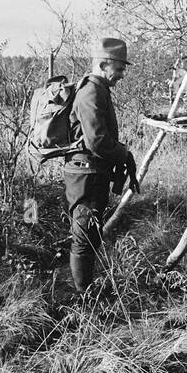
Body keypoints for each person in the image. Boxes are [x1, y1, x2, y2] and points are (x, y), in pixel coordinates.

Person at [63, 37, 139, 291]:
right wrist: (123, 153)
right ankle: (82, 297)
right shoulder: (91, 91)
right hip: (86, 175)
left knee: (91, 234)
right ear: (104, 64)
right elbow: (97, 141)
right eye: (118, 69)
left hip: (92, 173)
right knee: (84, 236)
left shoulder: (99, 88)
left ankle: (86, 288)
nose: (121, 75)